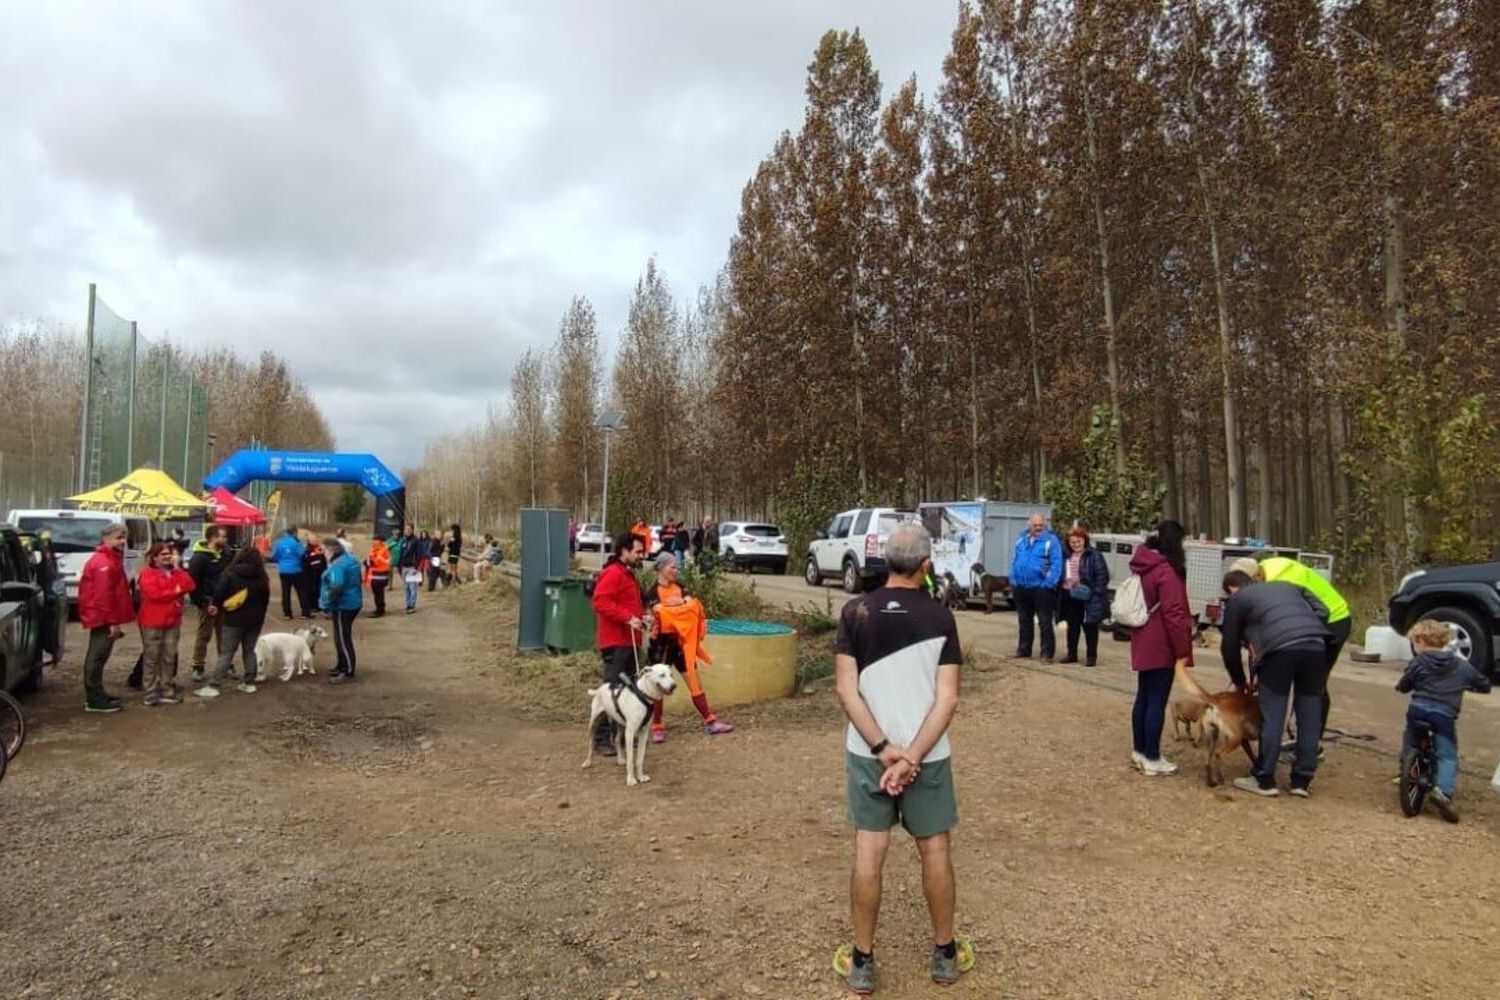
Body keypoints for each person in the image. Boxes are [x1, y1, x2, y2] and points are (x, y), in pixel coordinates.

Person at [833, 522, 965, 993]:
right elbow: (947, 699)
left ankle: (863, 960)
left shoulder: (855, 613)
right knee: (935, 850)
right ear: (926, 566)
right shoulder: (940, 617)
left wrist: (883, 750)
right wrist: (910, 756)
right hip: (926, 755)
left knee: (869, 851)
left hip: (869, 754)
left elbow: (846, 690)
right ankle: (945, 955)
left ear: (885, 561)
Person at [1219, 569, 1331, 797]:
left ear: (1233, 589)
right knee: (1309, 713)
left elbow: (1228, 647)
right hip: (1316, 646)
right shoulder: (1288, 586)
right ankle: (1301, 780)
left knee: (1273, 714)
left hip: (1278, 651)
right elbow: (1324, 610)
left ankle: (1264, 778)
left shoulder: (1237, 601)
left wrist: (1240, 681)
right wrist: (1304, 626)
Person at [1229, 555, 1351, 752]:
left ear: (1256, 577)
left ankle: (1312, 744)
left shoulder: (1280, 581)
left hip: (1333, 618)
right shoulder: (1264, 570)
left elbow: (1313, 612)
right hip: (1313, 616)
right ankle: (1303, 741)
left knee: (1313, 682)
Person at [1396, 619, 1493, 822]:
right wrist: (1469, 686)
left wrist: (1404, 686)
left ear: (1421, 641)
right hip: (1443, 715)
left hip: (1418, 710)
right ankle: (1444, 792)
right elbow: (1484, 685)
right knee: (1447, 755)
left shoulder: (1418, 662)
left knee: (1411, 740)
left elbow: (1404, 684)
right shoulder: (1461, 666)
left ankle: (1406, 771)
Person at [645, 552, 734, 743]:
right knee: (659, 685)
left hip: (681, 644)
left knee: (694, 681)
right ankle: (657, 727)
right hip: (661, 645)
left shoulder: (680, 587)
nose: (676, 571)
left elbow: (695, 606)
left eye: (677, 567)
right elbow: (664, 617)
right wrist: (681, 609)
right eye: (673, 567)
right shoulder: (653, 592)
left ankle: (710, 722)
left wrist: (681, 604)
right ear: (662, 568)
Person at [1127, 520, 1193, 776]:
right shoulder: (1167, 571)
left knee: (1143, 696)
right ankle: (1152, 757)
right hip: (1162, 642)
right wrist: (1183, 649)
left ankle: (1139, 750)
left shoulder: (1145, 565)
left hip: (1143, 637)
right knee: (1157, 699)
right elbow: (1174, 613)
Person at [591, 531, 647, 755]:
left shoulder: (627, 574)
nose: (641, 556)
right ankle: (601, 738)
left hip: (629, 641)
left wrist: (641, 619)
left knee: (627, 692)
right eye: (638, 551)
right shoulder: (613, 573)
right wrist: (628, 618)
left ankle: (622, 735)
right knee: (611, 691)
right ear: (624, 551)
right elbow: (600, 601)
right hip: (616, 641)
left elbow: (628, 605)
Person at [76, 523, 135, 713]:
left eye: (124, 537)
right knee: (97, 656)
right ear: (106, 538)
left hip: (103, 616)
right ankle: (94, 699)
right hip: (101, 617)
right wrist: (112, 622)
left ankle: (98, 695)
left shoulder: (110, 559)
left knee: (100, 656)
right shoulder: (103, 562)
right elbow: (103, 595)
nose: (123, 541)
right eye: (119, 537)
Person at [198, 545, 271, 698]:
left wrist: (215, 606)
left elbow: (219, 594)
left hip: (233, 619)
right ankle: (249, 682)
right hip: (255, 620)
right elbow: (265, 599)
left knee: (226, 653)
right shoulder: (262, 577)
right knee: (249, 651)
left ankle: (214, 684)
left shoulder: (230, 574)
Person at [136, 541, 194, 706]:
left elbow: (189, 584)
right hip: (152, 621)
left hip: (172, 620)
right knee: (152, 657)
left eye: (169, 553)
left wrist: (177, 568)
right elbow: (155, 595)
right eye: (163, 554)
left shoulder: (175, 572)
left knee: (169, 656)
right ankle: (150, 692)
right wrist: (176, 591)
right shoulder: (147, 574)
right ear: (154, 558)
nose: (167, 557)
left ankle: (166, 689)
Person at [1010, 513, 1063, 662]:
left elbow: (1057, 563)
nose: (1038, 528)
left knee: (1044, 621)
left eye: (1041, 525)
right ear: (1029, 526)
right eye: (1035, 525)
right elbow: (1014, 561)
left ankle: (1046, 653)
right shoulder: (1021, 541)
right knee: (1024, 620)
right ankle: (1024, 650)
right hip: (1021, 587)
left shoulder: (1051, 541)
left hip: (1041, 588)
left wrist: (1048, 584)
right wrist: (1013, 580)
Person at [1057, 526, 1110, 666]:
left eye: (1078, 541)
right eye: (1072, 542)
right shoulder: (1065, 556)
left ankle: (1091, 657)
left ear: (1084, 540)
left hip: (1088, 596)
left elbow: (1102, 576)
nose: (1075, 544)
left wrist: (1095, 592)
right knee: (1072, 627)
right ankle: (1071, 654)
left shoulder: (1094, 555)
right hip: (1069, 595)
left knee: (1090, 627)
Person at [186, 526, 229, 683]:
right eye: (222, 537)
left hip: (224, 601)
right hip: (207, 601)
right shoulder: (199, 558)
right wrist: (202, 602)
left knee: (224, 635)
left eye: (225, 537)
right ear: (212, 538)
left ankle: (225, 664)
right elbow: (192, 582)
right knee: (204, 635)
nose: (225, 540)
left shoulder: (226, 555)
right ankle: (198, 665)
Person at [320, 537, 363, 683]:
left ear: (331, 550)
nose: (323, 553)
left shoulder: (338, 565)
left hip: (343, 605)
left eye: (324, 550)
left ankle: (348, 670)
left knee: (343, 638)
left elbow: (337, 586)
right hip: (354, 601)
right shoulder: (351, 559)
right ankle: (341, 665)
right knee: (341, 636)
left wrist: (327, 603)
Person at [270, 526, 309, 620]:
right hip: (296, 570)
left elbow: (274, 556)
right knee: (301, 592)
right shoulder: (296, 543)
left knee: (285, 592)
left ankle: (287, 613)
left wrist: (281, 560)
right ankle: (305, 612)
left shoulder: (279, 543)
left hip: (283, 570)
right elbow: (302, 554)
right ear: (295, 532)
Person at [397, 523, 422, 613]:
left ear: (412, 530)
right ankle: (408, 604)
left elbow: (419, 554)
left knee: (412, 587)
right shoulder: (403, 540)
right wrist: (399, 566)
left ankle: (412, 606)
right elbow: (400, 553)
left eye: (408, 529)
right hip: (404, 567)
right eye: (405, 529)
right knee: (406, 587)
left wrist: (416, 566)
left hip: (412, 567)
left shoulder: (416, 541)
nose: (406, 531)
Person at [364, 535, 391, 618]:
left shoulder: (384, 550)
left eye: (376, 540)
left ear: (380, 541)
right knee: (376, 593)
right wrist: (367, 561)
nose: (374, 541)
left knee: (379, 593)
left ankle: (380, 610)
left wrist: (372, 562)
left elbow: (385, 561)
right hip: (374, 574)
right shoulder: (374, 549)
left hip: (380, 574)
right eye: (374, 540)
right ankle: (378, 608)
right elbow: (370, 558)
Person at [300, 540, 327, 619]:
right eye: (313, 539)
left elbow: (323, 559)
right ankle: (310, 606)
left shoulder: (319, 549)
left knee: (316, 590)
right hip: (309, 572)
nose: (315, 541)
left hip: (318, 572)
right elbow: (305, 560)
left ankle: (315, 605)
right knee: (309, 589)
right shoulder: (307, 550)